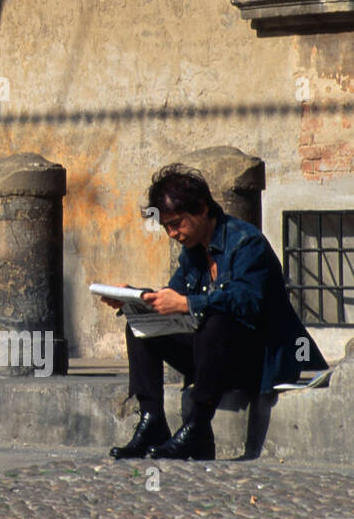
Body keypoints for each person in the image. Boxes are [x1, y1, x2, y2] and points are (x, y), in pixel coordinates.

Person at [107, 165, 327, 460]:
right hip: (215, 359)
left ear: (201, 208)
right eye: (167, 227)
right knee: (140, 326)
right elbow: (174, 297)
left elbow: (247, 302)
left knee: (217, 322)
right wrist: (139, 299)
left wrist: (186, 304)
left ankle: (197, 427)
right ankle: (152, 421)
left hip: (259, 361)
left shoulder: (246, 243)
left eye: (177, 223)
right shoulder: (193, 252)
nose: (172, 233)